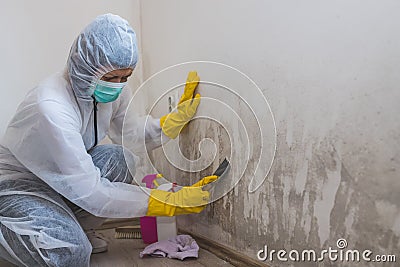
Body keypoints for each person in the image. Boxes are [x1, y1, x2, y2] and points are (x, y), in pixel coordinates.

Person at [0, 14, 218, 266]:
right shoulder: (51, 106)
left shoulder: (112, 90)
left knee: (120, 159)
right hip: (20, 184)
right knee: (70, 253)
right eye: (112, 78)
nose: (118, 85)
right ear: (85, 67)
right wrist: (167, 201)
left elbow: (130, 132)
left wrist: (173, 122)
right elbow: (91, 191)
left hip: (60, 179)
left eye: (125, 77)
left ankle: (73, 227)